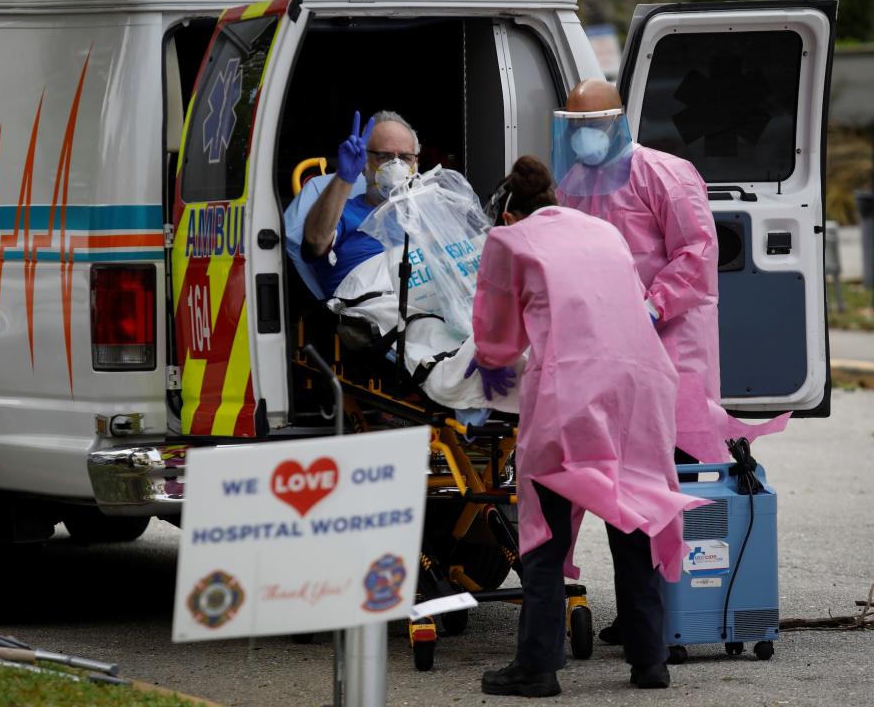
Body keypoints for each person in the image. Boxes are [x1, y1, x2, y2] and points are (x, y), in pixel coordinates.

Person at [551, 79, 788, 645]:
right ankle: (643, 615)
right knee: (617, 483)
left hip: (670, 349)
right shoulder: (577, 182)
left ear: (617, 120)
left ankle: (667, 615)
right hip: (610, 350)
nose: (584, 138)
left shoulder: (665, 173)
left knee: (664, 479)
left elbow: (698, 251)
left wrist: (652, 307)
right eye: (575, 128)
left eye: (593, 126)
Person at [473, 156, 708, 697]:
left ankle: (536, 666)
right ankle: (650, 661)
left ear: (508, 212)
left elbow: (497, 339)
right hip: (643, 387)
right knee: (633, 522)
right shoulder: (603, 231)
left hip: (570, 396)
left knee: (545, 532)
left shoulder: (509, 242)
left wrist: (487, 363)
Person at [302, 110, 421, 296]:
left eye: (405, 158)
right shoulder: (342, 214)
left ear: (416, 164)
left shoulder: (427, 214)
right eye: (384, 156)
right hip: (373, 315)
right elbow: (315, 241)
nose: (397, 166)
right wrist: (344, 175)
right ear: (364, 164)